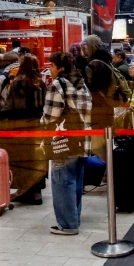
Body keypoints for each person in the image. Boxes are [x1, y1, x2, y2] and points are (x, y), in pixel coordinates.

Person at [0, 54, 48, 205]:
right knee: (36, 159)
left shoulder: (19, 82)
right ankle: (36, 193)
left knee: (23, 160)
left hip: (21, 128)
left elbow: (9, 108)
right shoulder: (40, 82)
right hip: (38, 127)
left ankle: (24, 191)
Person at [43, 51, 92, 235]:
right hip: (82, 140)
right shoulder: (82, 84)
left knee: (62, 182)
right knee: (75, 182)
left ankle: (68, 224)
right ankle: (74, 218)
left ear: (60, 67)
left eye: (52, 65)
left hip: (63, 142)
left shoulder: (58, 85)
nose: (50, 69)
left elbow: (50, 117)